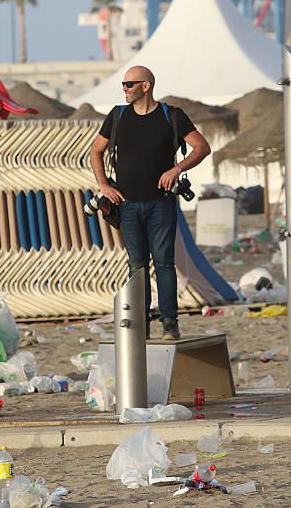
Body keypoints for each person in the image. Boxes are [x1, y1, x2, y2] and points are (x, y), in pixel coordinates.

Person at [89, 65, 211, 340]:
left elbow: (202, 147)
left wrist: (176, 169)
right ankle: (141, 325)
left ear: (146, 85)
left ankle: (170, 323)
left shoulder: (172, 116)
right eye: (123, 84)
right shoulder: (117, 116)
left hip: (162, 203)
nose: (124, 89)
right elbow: (96, 151)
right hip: (127, 204)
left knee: (165, 263)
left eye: (129, 84)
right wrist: (103, 185)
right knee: (137, 265)